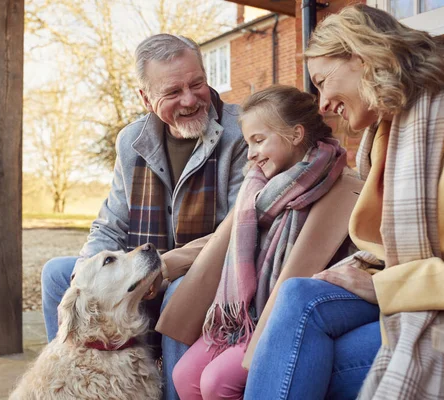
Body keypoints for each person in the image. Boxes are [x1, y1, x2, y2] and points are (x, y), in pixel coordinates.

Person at [244, 4, 444, 400]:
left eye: (323, 81)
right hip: (415, 291)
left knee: (301, 361)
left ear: (363, 56)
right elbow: (386, 246)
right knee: (297, 295)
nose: (322, 103)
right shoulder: (388, 131)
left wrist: (384, 286)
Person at [40, 34, 249, 400]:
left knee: (179, 293)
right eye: (173, 92)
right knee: (59, 275)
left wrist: (164, 268)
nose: (190, 99)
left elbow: (238, 228)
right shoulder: (131, 140)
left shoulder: (241, 132)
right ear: (145, 98)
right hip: (144, 268)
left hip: (206, 273)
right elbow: (111, 223)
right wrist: (84, 276)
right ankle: (72, 384)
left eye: (197, 83)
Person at [155, 85, 366, 399]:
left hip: (281, 315)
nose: (251, 153)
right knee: (184, 375)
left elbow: (363, 251)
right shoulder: (257, 186)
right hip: (243, 316)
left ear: (295, 134)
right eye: (247, 142)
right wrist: (164, 263)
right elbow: (222, 240)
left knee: (216, 382)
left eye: (258, 140)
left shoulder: (344, 188)